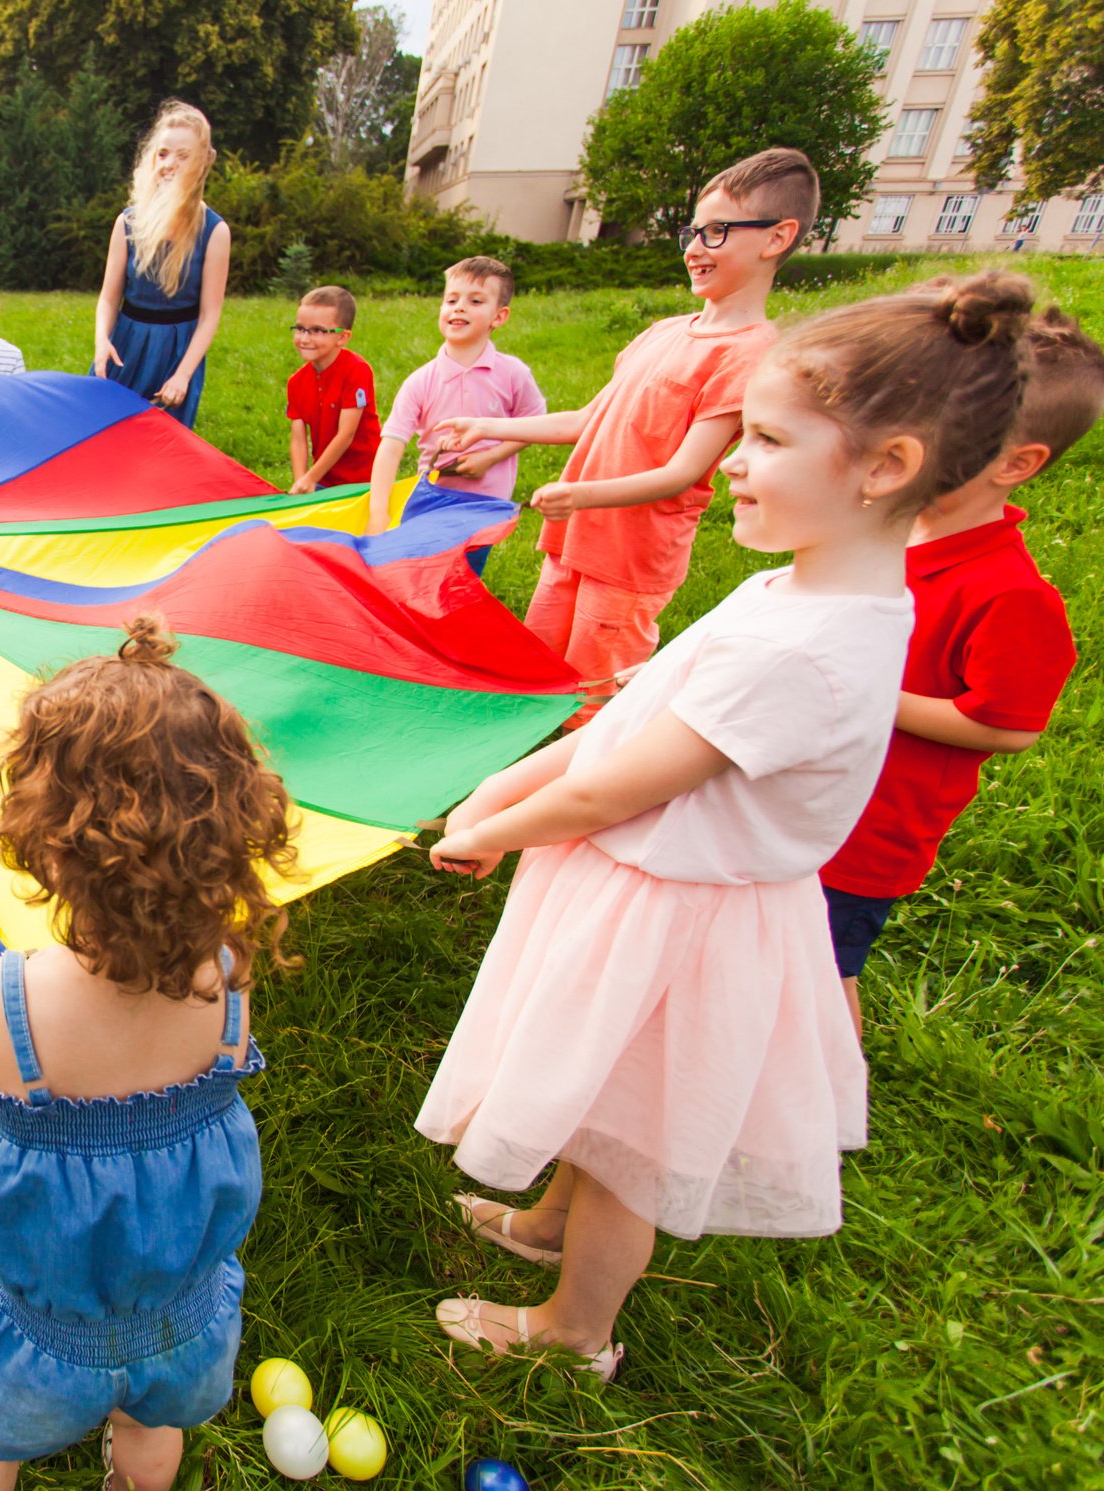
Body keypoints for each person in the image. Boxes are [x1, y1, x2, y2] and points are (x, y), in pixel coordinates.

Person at [416, 272, 1036, 1378]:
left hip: (680, 925)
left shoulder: (808, 644)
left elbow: (624, 785)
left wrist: (496, 824)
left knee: (630, 1149)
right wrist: (508, 792)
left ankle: (573, 1328)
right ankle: (553, 1218)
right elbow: (640, 715)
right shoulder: (804, 593)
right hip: (659, 892)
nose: (733, 465)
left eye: (765, 441)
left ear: (886, 467)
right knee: (597, 1105)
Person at [0, 615, 292, 1491]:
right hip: (184, 1321)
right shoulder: (226, 978)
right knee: (151, 1434)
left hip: (40, 1335)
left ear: (46, 841)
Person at [432, 148, 816, 722]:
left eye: (716, 233)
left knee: (594, 698)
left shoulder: (749, 353)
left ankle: (580, 797)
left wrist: (579, 494)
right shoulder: (663, 332)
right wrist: (489, 425)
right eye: (693, 230)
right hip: (575, 541)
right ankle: (513, 781)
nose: (692, 247)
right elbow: (591, 419)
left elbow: (683, 472)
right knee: (535, 676)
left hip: (630, 562)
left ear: (775, 238)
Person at [820, 304, 1102, 1030]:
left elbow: (1005, 727)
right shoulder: (881, 534)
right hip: (806, 798)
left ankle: (826, 1107)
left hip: (866, 835)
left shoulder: (1009, 594)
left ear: (1015, 462)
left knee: (819, 973)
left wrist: (872, 695)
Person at [369, 256, 547, 535]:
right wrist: (378, 514)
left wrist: (490, 457)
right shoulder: (419, 382)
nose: (460, 307)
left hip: (487, 506)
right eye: (451, 300)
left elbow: (538, 425)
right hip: (430, 502)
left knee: (467, 573)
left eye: (475, 301)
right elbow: (391, 447)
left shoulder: (513, 373)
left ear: (499, 316)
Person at [91, 101, 230, 428]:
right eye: (163, 153)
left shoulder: (215, 231)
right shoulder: (127, 222)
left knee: (162, 452)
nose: (170, 164)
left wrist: (183, 375)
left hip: (176, 352)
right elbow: (109, 297)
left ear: (203, 162)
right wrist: (102, 341)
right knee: (104, 437)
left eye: (184, 156)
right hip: (124, 344)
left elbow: (210, 314)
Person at [283, 285, 380, 498]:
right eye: (300, 329)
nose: (305, 338)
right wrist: (301, 482)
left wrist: (310, 478)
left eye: (317, 330)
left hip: (365, 481)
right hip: (324, 481)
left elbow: (346, 435)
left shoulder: (356, 370)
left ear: (342, 337)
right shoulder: (296, 382)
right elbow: (298, 439)